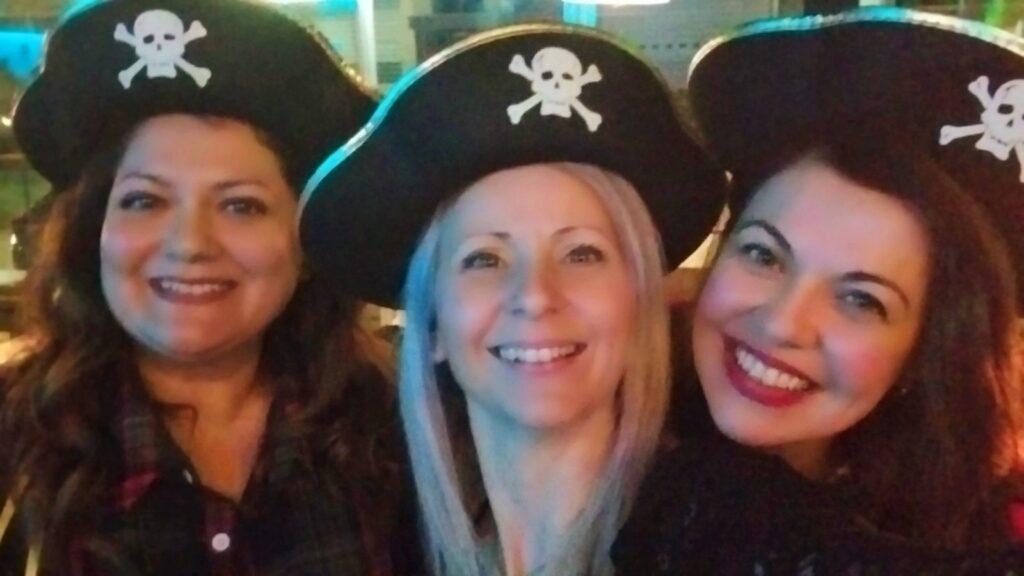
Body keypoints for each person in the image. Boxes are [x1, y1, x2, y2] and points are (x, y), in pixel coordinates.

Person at [299, 24, 727, 576]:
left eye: (581, 254)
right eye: (485, 259)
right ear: (433, 326)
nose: (535, 296)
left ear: (637, 301)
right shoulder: (382, 546)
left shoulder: (739, 541)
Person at [614, 8, 1024, 574]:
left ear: (923, 352)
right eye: (763, 256)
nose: (783, 322)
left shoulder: (980, 535)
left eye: (861, 300)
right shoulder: (590, 452)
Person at [0, 1, 403, 575]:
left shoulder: (399, 429)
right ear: (96, 231)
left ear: (306, 243)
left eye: (241, 206)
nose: (189, 243)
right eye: (145, 200)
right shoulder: (14, 432)